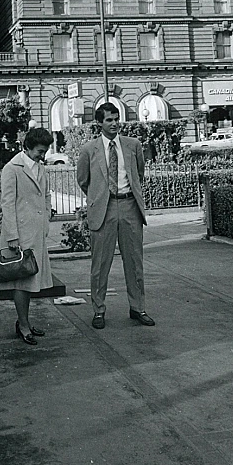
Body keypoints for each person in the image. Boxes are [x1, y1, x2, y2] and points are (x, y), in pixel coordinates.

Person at [77, 102, 152, 329]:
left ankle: (138, 308)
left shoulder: (132, 145)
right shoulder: (89, 149)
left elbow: (139, 173)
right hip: (104, 208)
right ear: (99, 122)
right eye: (109, 120)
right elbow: (83, 180)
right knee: (100, 264)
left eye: (116, 119)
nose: (114, 124)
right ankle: (98, 310)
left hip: (129, 206)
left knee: (134, 262)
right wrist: (99, 197)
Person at [0, 126, 54, 345]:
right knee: (22, 281)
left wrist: (46, 218)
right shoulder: (13, 168)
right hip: (19, 233)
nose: (42, 155)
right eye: (39, 151)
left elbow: (46, 195)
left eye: (45, 151)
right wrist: (11, 234)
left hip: (36, 231)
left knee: (31, 280)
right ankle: (23, 325)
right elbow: (7, 203)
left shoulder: (40, 168)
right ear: (27, 147)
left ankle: (24, 322)